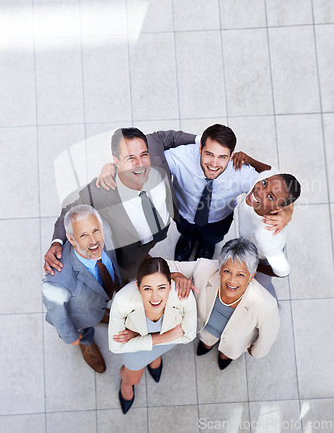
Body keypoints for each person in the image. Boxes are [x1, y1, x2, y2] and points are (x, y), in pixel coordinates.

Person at [44, 127, 196, 280]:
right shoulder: (101, 190)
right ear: (116, 161)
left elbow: (166, 136)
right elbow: (70, 210)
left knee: (158, 238)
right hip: (132, 249)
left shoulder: (155, 152)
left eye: (144, 155)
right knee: (127, 273)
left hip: (160, 229)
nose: (140, 164)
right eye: (130, 158)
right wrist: (56, 243)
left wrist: (202, 141)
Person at [165, 124, 292, 261]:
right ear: (200, 148)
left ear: (231, 155)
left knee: (212, 238)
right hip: (184, 212)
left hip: (218, 220)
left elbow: (281, 183)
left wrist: (288, 213)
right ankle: (187, 241)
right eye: (209, 154)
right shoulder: (181, 157)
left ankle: (206, 246)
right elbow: (151, 162)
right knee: (185, 230)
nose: (214, 164)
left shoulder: (241, 172)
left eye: (222, 157)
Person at [168, 238, 280, 370]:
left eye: (240, 275)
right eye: (227, 271)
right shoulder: (204, 268)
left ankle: (225, 355)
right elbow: (161, 265)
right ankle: (207, 344)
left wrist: (256, 352)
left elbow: (268, 336)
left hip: (235, 343)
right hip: (206, 328)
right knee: (206, 339)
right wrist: (176, 275)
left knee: (229, 351)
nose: (232, 281)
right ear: (219, 267)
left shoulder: (266, 305)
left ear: (251, 276)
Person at [108, 257, 197, 414]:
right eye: (147, 289)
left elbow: (189, 336)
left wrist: (141, 337)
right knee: (132, 376)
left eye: (162, 288)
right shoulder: (123, 300)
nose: (155, 297)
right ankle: (127, 384)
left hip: (155, 342)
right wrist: (162, 338)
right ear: (138, 287)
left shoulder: (183, 296)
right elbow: (115, 347)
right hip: (151, 344)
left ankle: (155, 359)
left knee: (156, 354)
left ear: (170, 285)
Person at [42, 205, 122, 373]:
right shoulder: (56, 282)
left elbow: (70, 204)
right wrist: (71, 337)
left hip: (94, 298)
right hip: (80, 316)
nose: (93, 241)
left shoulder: (105, 230)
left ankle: (100, 313)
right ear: (71, 239)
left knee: (98, 302)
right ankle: (87, 343)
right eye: (83, 235)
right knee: (83, 330)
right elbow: (58, 315)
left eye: (95, 231)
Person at [237, 170, 301, 297]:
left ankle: (274, 305)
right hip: (248, 242)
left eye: (270, 197)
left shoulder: (266, 236)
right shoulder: (266, 180)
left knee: (263, 288)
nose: (259, 191)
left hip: (261, 258)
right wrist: (249, 160)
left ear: (278, 208)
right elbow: (269, 170)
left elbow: (282, 272)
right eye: (265, 183)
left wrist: (254, 268)